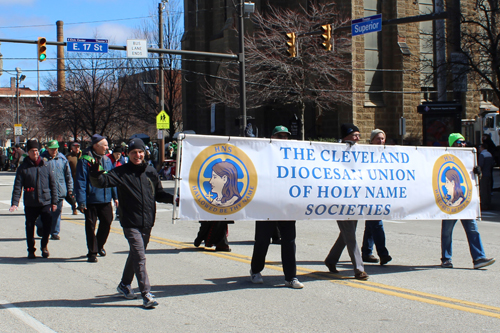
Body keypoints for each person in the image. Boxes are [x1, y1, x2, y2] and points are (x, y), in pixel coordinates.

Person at [89, 138, 173, 309]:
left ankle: (124, 285)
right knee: (140, 256)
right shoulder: (121, 172)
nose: (138, 155)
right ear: (128, 154)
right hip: (130, 222)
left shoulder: (150, 172)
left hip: (147, 222)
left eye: (140, 152)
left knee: (136, 255)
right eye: (134, 152)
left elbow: (159, 194)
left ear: (144, 153)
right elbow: (101, 182)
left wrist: (176, 199)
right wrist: (95, 172)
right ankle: (146, 294)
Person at [250, 125, 304, 289]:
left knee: (289, 241)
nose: (284, 139)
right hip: (267, 203)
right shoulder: (263, 153)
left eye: (286, 136)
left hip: (286, 203)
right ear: (272, 137)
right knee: (263, 239)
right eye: (280, 136)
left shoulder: (293, 156)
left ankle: (290, 277)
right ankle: (256, 270)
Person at [440, 133, 495, 269]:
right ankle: (446, 258)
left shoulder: (469, 157)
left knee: (473, 229)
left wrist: (478, 172)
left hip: (465, 201)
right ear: (452, 144)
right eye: (459, 142)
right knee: (447, 232)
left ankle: (479, 258)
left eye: (464, 141)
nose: (463, 144)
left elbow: (474, 180)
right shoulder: (443, 158)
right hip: (450, 203)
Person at [324, 123, 368, 280]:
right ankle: (359, 269)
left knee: (347, 233)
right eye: (354, 135)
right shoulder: (335, 151)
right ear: (346, 137)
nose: (357, 138)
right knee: (350, 234)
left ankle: (331, 259)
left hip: (356, 198)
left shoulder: (361, 152)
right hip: (340, 199)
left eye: (358, 135)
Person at [10, 140, 57, 258]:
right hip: (31, 201)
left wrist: (54, 201)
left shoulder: (46, 165)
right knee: (30, 226)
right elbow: (17, 186)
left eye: (36, 151)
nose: (35, 153)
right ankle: (31, 249)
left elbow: (53, 185)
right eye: (32, 151)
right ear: (28, 152)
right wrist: (15, 202)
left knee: (47, 225)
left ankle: (44, 246)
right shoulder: (23, 168)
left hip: (45, 200)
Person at [75, 134, 118, 263]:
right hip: (91, 199)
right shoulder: (85, 160)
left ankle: (99, 245)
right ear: (96, 146)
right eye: (105, 145)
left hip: (105, 198)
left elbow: (111, 179)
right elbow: (81, 181)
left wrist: (115, 196)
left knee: (107, 221)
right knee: (90, 226)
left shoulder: (107, 160)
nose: (107, 148)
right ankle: (92, 252)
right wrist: (81, 201)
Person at [361, 129, 392, 265]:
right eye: (378, 139)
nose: (381, 141)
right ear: (372, 140)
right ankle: (383, 253)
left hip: (381, 193)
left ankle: (366, 252)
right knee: (376, 223)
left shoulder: (387, 154)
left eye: (383, 138)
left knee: (371, 224)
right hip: (369, 193)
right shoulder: (365, 154)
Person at [36, 140, 73, 240]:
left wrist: (70, 189)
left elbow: (68, 175)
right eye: (52, 149)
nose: (54, 151)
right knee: (44, 212)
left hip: (59, 190)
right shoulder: (41, 159)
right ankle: (40, 225)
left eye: (55, 149)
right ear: (47, 148)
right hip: (45, 191)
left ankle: (54, 232)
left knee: (56, 212)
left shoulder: (62, 159)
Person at [66, 142, 82, 215]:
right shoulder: (69, 157)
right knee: (71, 195)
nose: (77, 148)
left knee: (80, 194)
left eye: (78, 147)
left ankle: (81, 206)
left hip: (81, 179)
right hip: (72, 179)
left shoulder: (83, 156)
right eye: (75, 147)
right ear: (72, 148)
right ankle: (74, 207)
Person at [478, 142, 494, 210]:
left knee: (483, 190)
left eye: (480, 147)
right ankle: (488, 203)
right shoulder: (489, 154)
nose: (479, 149)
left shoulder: (482, 154)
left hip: (483, 174)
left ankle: (484, 205)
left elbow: (480, 165)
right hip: (489, 174)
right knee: (488, 190)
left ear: (482, 148)